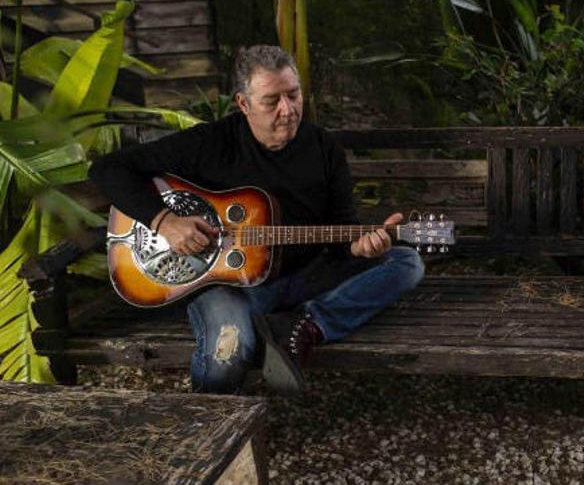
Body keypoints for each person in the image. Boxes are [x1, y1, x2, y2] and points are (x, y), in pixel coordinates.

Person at [88, 45, 425, 395]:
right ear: (243, 104)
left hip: (305, 277)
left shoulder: (324, 149)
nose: (288, 109)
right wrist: (164, 221)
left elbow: (342, 234)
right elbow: (108, 169)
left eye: (293, 95)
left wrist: (361, 248)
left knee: (406, 261)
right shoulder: (211, 142)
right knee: (226, 356)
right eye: (272, 100)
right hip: (230, 287)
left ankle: (304, 326)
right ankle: (216, 440)